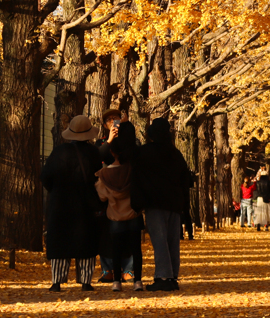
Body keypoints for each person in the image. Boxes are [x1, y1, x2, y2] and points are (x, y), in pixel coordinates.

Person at [41, 114, 103, 292]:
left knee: (60, 240)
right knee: (86, 241)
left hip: (60, 203)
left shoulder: (59, 152)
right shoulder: (93, 153)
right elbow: (98, 176)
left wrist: (55, 190)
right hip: (85, 203)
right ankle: (85, 281)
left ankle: (57, 281)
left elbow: (45, 176)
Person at [133, 117, 192, 292]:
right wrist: (184, 203)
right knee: (173, 240)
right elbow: (185, 179)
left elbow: (137, 178)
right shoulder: (175, 154)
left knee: (159, 241)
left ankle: (163, 276)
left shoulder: (144, 153)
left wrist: (138, 201)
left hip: (154, 202)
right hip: (174, 203)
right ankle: (172, 275)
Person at [95, 122, 144, 292]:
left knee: (115, 248)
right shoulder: (134, 170)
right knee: (136, 248)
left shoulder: (105, 174)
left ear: (113, 152)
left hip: (115, 214)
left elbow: (101, 196)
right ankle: (137, 280)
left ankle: (116, 281)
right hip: (133, 212)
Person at [254, 164, 270, 230]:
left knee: (259, 212)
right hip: (266, 198)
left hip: (259, 198)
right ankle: (266, 226)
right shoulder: (268, 182)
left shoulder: (258, 182)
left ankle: (258, 224)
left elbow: (256, 189)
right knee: (267, 212)